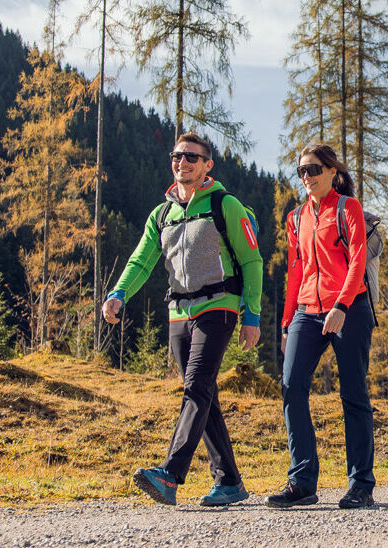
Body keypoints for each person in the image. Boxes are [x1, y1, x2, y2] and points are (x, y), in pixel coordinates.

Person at [102, 132, 263, 508]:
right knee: (203, 393)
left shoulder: (226, 205)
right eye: (177, 156)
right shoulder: (162, 214)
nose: (183, 163)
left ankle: (170, 475)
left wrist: (251, 314)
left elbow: (253, 262)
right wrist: (118, 293)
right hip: (178, 311)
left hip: (218, 306)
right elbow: (141, 260)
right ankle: (230, 482)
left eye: (192, 157)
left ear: (207, 165)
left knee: (196, 386)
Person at [265, 144, 378, 510]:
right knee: (291, 386)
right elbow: (296, 270)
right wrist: (286, 323)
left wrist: (343, 305)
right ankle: (301, 483)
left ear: (333, 172)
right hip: (306, 312)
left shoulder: (348, 208)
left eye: (314, 169)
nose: (307, 177)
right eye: (301, 172)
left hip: (350, 308)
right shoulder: (296, 217)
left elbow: (358, 258)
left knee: (354, 395)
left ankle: (361, 484)